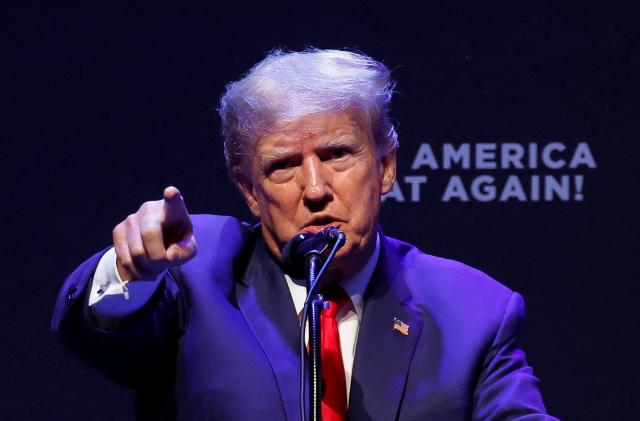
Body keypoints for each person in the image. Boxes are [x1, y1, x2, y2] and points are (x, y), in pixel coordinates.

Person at [52, 48, 558, 420]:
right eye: (283, 166)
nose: (315, 189)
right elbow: (95, 337)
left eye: (338, 154)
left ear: (385, 167)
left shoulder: (474, 311)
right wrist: (131, 270)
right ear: (249, 190)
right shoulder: (198, 272)